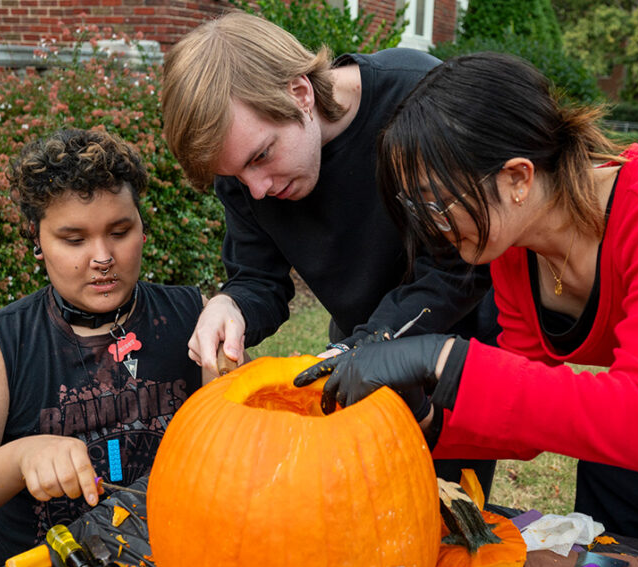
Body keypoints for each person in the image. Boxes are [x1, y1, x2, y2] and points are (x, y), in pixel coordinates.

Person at [295, 52, 638, 567]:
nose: (428, 226)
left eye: (436, 204)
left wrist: (446, 360)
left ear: (517, 177)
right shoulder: (514, 250)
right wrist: (425, 417)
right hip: (627, 453)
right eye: (415, 207)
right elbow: (524, 417)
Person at [161, 11, 499, 486]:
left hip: (453, 344)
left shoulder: (416, 96)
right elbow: (260, 280)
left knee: (445, 520)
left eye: (262, 157)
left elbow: (459, 264)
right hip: (356, 343)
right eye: (236, 175)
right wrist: (230, 304)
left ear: (299, 93)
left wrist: (369, 344)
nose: (256, 190)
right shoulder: (244, 169)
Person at [0, 129, 213, 567]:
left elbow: (237, 445)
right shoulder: (1, 343)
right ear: (38, 239)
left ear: (142, 227)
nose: (103, 256)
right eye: (74, 240)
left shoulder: (190, 315)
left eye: (120, 231)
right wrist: (20, 457)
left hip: (168, 555)